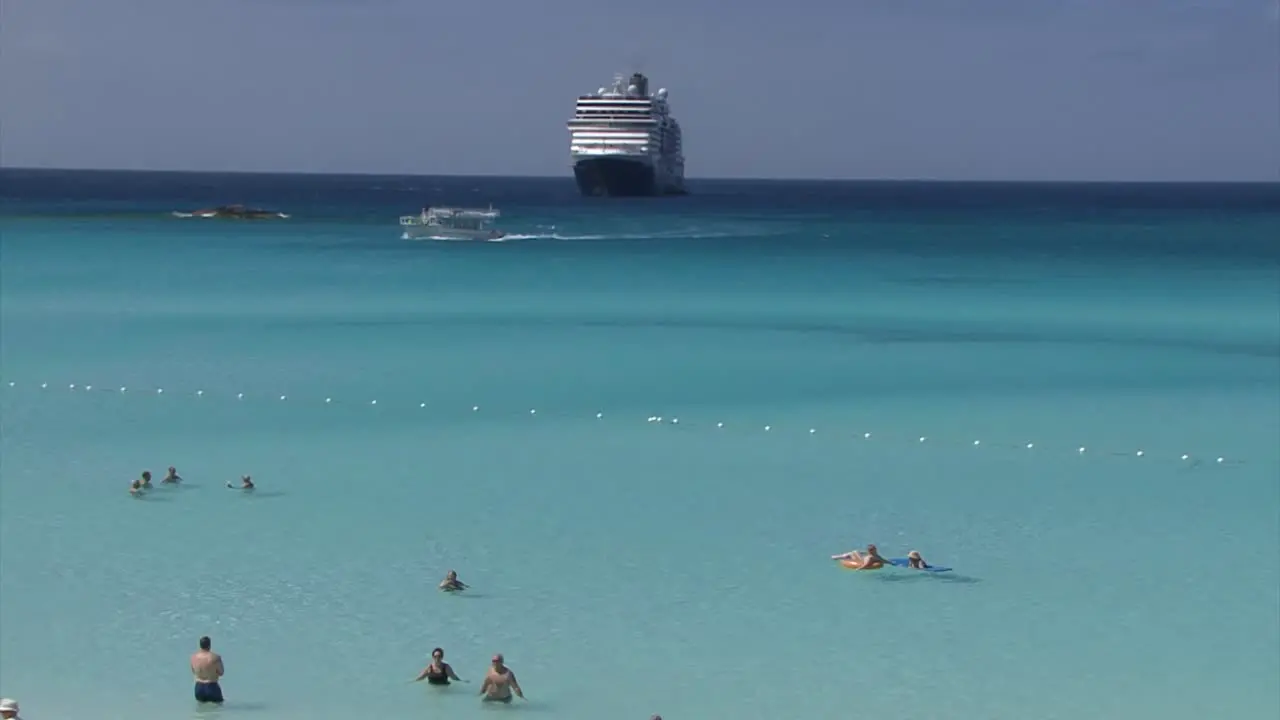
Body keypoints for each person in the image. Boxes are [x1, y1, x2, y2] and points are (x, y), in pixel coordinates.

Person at [191, 635, 225, 704]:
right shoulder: (215, 658)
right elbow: (221, 672)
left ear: (200, 645)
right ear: (209, 645)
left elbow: (193, 671)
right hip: (211, 686)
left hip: (198, 687)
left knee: (201, 711)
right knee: (216, 710)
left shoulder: (193, 657)